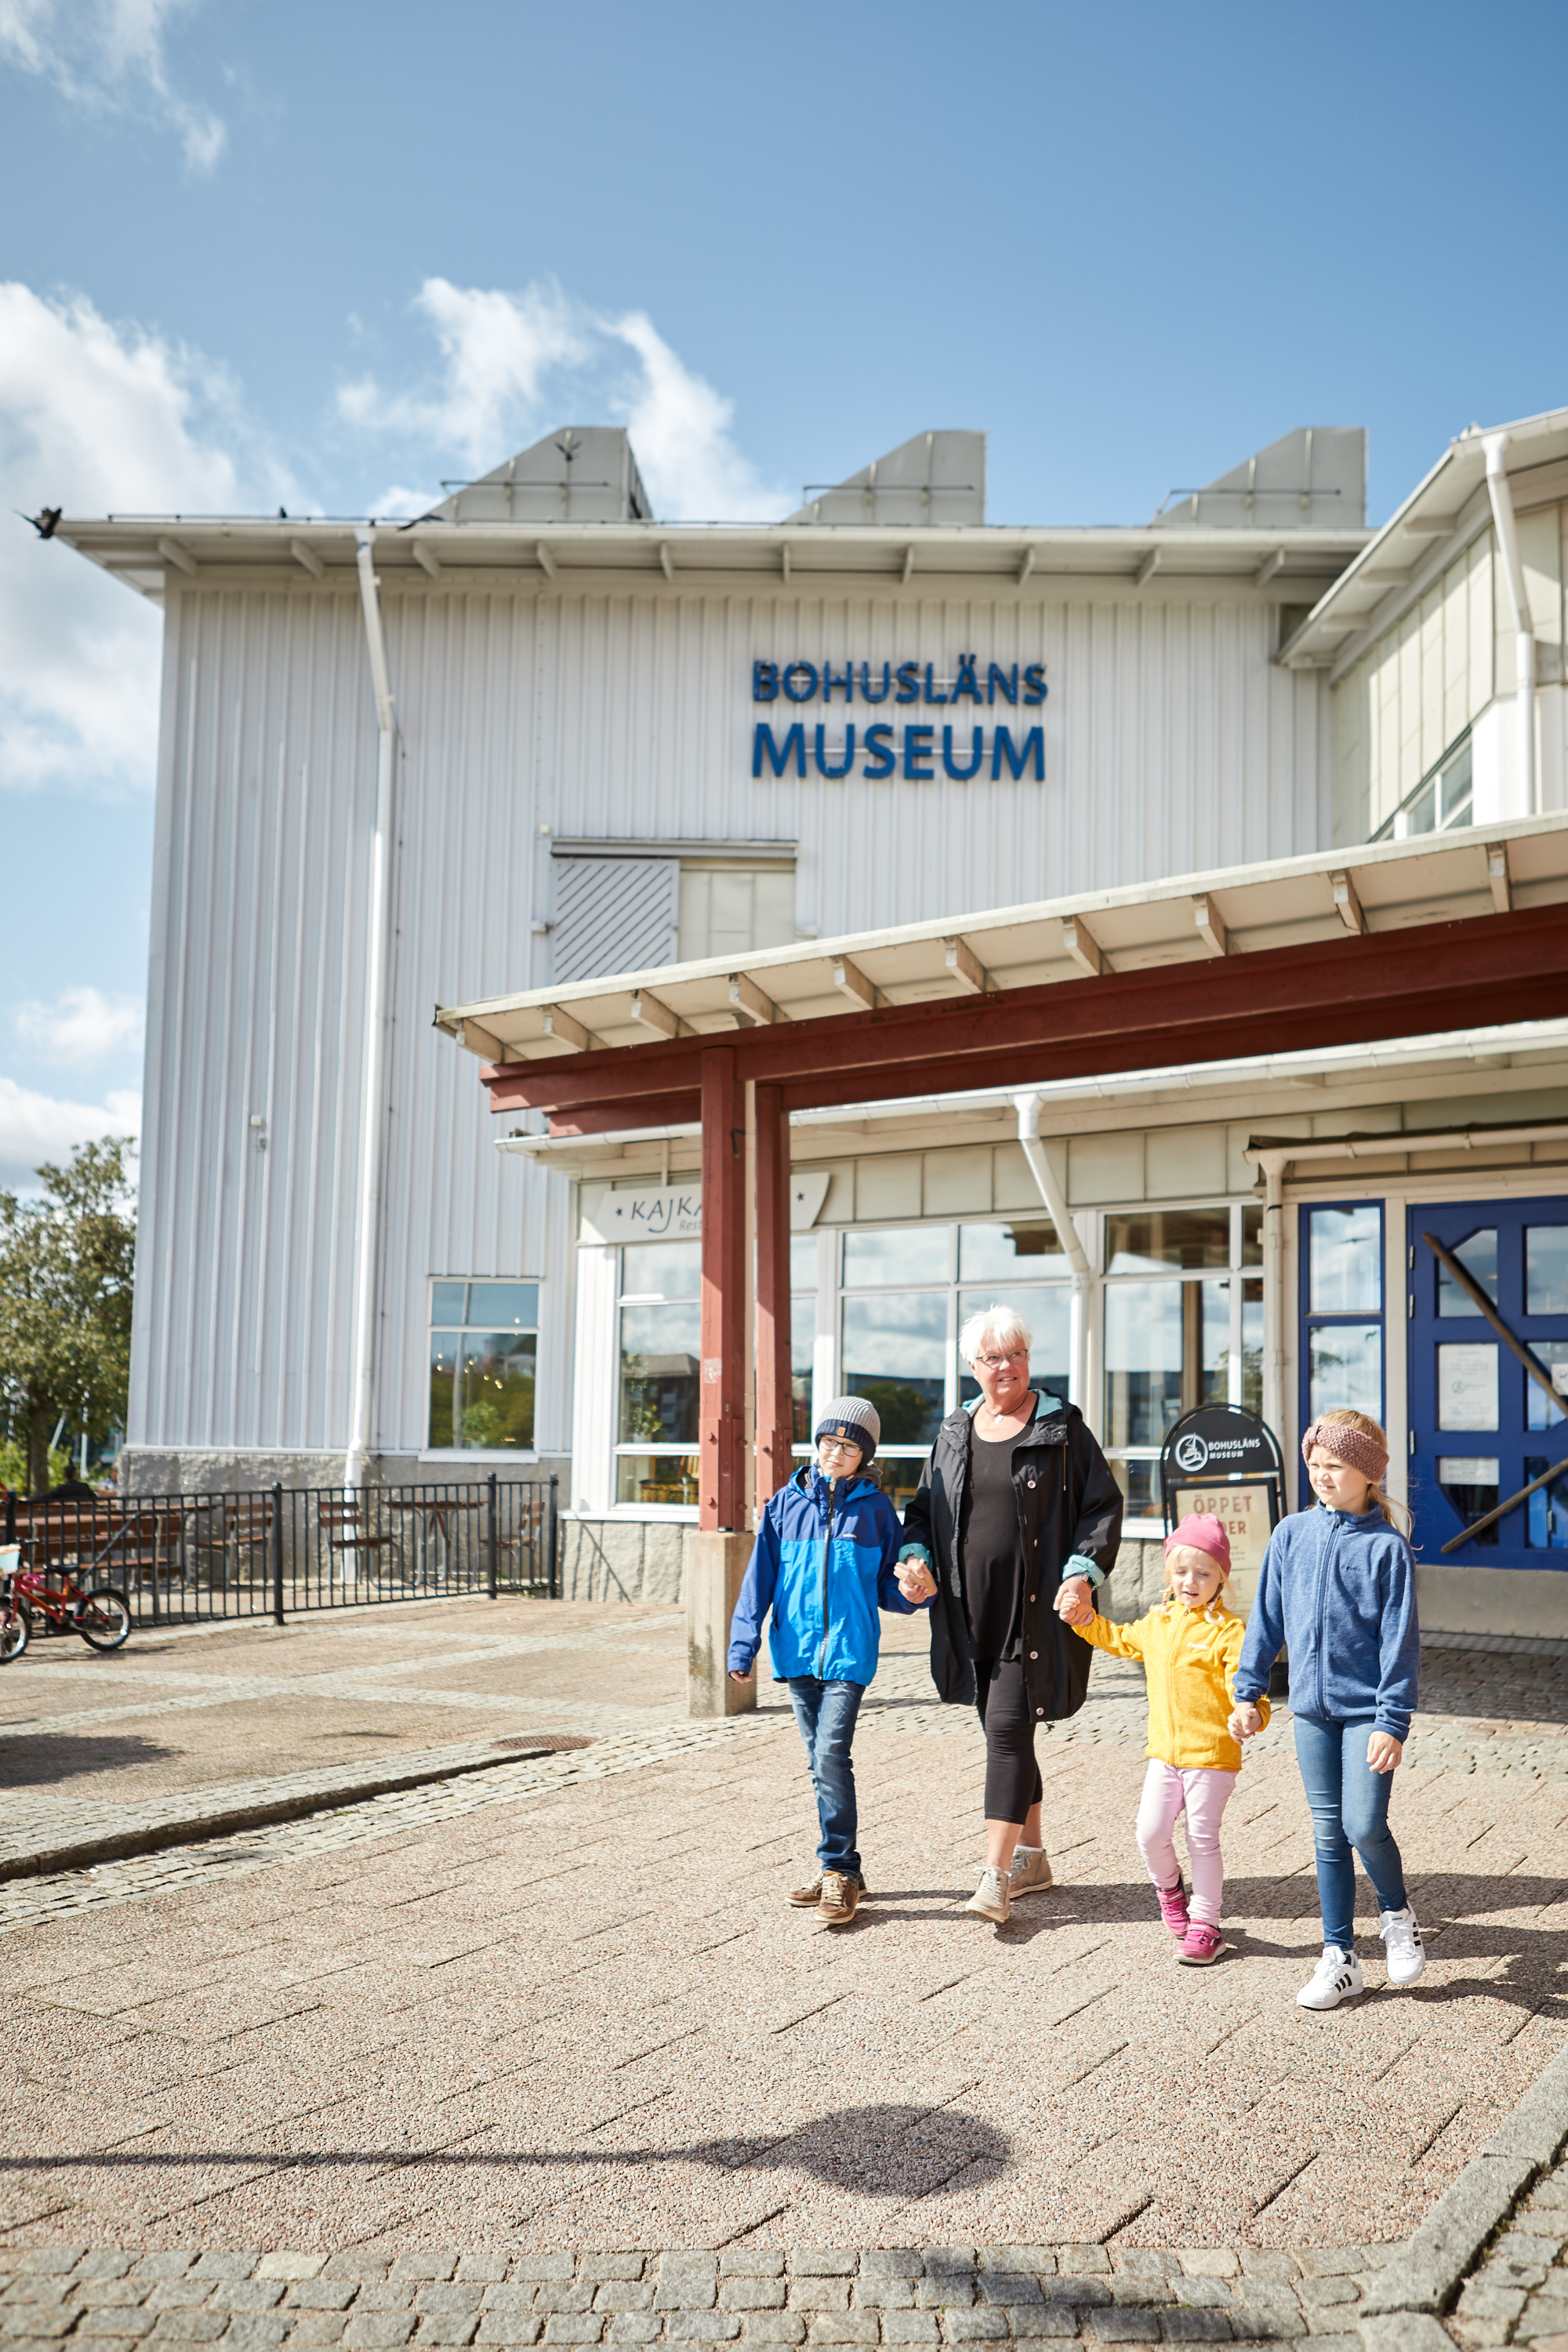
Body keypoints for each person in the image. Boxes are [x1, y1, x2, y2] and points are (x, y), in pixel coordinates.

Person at [895, 1305, 1122, 1926]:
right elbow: (922, 1511)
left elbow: (1102, 1507)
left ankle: (994, 1876)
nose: (1007, 1367)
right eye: (993, 1358)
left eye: (1016, 1354)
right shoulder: (952, 1432)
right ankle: (1034, 1857)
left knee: (1004, 1728)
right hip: (972, 1615)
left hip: (1035, 1615)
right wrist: (915, 1560)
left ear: (1029, 1360)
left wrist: (1083, 1572)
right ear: (972, 1367)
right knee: (1009, 1728)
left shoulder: (1061, 1428)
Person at [1230, 1408, 1424, 2012]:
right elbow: (1264, 1618)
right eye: (1315, 1465)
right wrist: (1248, 1689)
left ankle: (1396, 1914)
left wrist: (1393, 1720)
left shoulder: (1388, 1549)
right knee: (1327, 1834)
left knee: (1363, 1824)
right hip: (1311, 1712)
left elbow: (1400, 1641)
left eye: (1334, 1466)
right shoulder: (1291, 1534)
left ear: (1367, 1473)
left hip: (1368, 1709)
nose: (1321, 1476)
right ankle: (1340, 1957)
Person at [727, 1396, 927, 1928]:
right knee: (820, 1764)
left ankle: (839, 1867)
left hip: (848, 1653)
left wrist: (914, 1593)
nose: (837, 1452)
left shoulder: (877, 1511)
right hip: (796, 1653)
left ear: (865, 1456)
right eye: (830, 1442)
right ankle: (843, 1869)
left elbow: (888, 1586)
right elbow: (758, 1582)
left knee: (831, 1756)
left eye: (850, 1445)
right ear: (816, 1445)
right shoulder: (783, 1505)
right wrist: (742, 1644)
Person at [1063, 1514, 1266, 1965]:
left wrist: (1247, 1715)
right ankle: (1171, 1892)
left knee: (1202, 1838)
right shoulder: (1159, 1620)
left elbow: (1250, 1692)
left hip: (1212, 1757)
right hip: (1164, 1754)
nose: (1190, 1581)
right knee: (1150, 1832)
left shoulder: (1229, 1632)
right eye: (1181, 1572)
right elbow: (1119, 1638)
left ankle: (1207, 1925)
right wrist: (1084, 1620)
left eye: (1203, 1572)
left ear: (1222, 1577)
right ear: (1168, 1575)